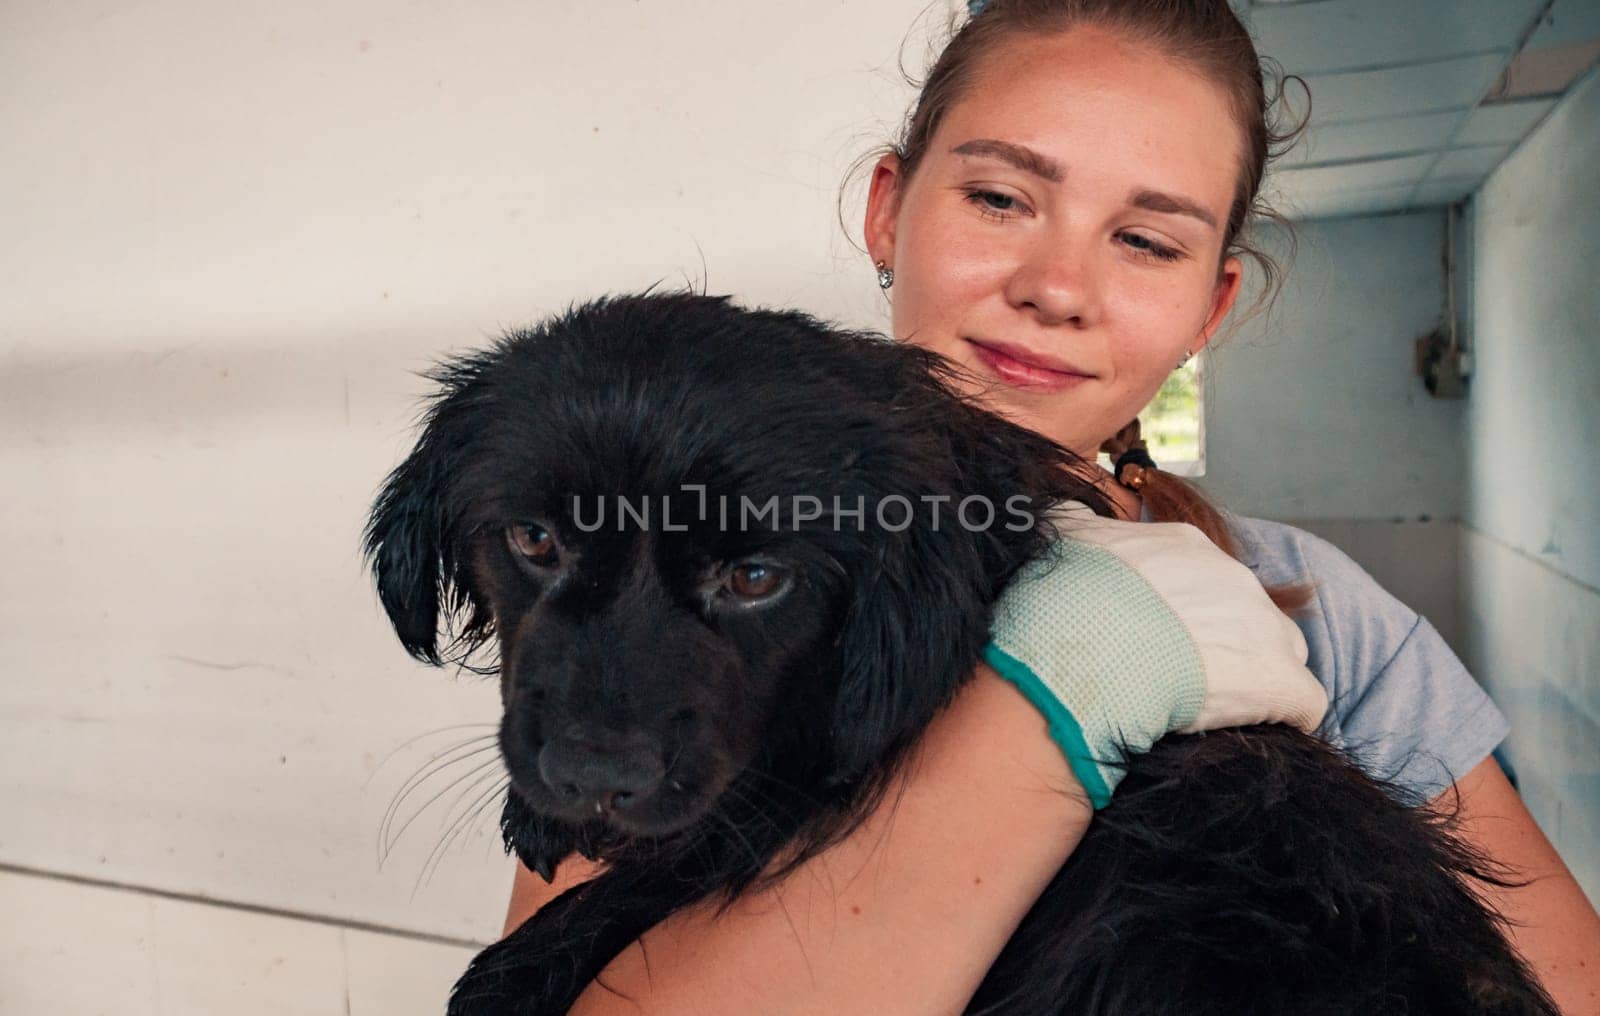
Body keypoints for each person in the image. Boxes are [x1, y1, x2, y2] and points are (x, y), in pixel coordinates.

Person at [505, 2, 1600, 1012]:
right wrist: (1071, 689)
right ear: (888, 211)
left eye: (1146, 240)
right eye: (998, 198)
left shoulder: (1320, 622)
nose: (1056, 286)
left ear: (1209, 302)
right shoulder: (705, 575)